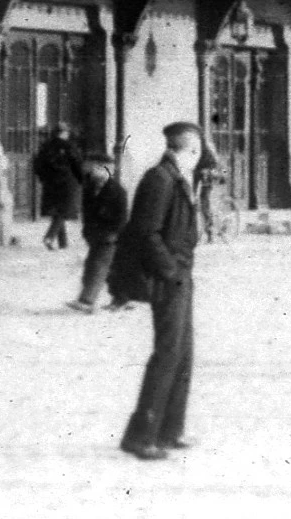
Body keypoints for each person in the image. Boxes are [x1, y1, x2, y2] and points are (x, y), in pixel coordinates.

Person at [114, 122, 206, 460]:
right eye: (198, 152)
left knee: (182, 354)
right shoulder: (160, 179)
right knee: (167, 355)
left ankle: (170, 430)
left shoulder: (174, 177)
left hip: (181, 275)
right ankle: (141, 436)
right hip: (169, 278)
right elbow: (146, 232)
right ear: (191, 150)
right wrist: (169, 271)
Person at [69, 155, 130, 314]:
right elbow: (86, 213)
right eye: (92, 168)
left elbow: (122, 217)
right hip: (95, 235)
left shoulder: (117, 191)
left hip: (110, 236)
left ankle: (87, 301)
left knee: (98, 266)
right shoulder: (89, 188)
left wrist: (116, 234)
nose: (91, 171)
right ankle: (122, 298)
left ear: (106, 169)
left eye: (96, 168)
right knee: (103, 267)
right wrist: (86, 231)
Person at [33, 122, 84, 250]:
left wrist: (43, 178)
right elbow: (77, 164)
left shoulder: (45, 146)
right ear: (64, 133)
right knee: (62, 211)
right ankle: (49, 237)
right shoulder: (69, 146)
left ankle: (63, 243)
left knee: (58, 211)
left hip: (50, 183)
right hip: (67, 183)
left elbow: (37, 165)